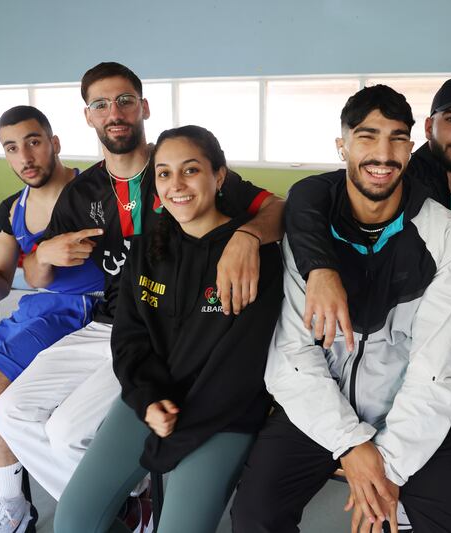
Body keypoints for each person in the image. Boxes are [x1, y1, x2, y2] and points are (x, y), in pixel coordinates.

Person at [0, 62, 283, 505]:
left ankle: (126, 498)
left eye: (125, 100)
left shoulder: (180, 165)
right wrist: (41, 257)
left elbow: (277, 208)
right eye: (101, 104)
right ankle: (127, 505)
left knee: (67, 431)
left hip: (163, 328)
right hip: (108, 324)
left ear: (144, 107)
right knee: (8, 413)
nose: (115, 112)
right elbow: (34, 276)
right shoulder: (81, 192)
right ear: (88, 116)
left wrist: (247, 236)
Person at [282, 74, 451, 531]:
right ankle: (400, 507)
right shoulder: (402, 175)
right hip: (383, 343)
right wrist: (318, 267)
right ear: (427, 129)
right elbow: (310, 195)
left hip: (439, 336)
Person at [231, 84, 451, 533]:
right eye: (367, 137)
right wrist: (352, 446)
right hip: (319, 408)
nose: (382, 154)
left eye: (396, 138)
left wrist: (387, 470)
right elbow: (292, 356)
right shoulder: (309, 234)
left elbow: (437, 368)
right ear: (342, 145)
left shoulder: (446, 234)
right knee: (254, 518)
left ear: (411, 146)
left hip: (405, 410)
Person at [54, 125, 284, 533]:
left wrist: (168, 445)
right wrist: (146, 400)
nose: (176, 184)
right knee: (73, 521)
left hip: (220, 414)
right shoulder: (144, 251)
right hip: (151, 402)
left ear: (219, 176)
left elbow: (241, 368)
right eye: (164, 173)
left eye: (190, 170)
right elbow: (129, 340)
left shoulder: (254, 257)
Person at [0, 106, 104, 532]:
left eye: (33, 142)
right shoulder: (13, 208)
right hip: (34, 310)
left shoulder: (92, 193)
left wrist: (39, 260)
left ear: (54, 143)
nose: (25, 157)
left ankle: (13, 506)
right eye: (12, 148)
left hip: (82, 309)